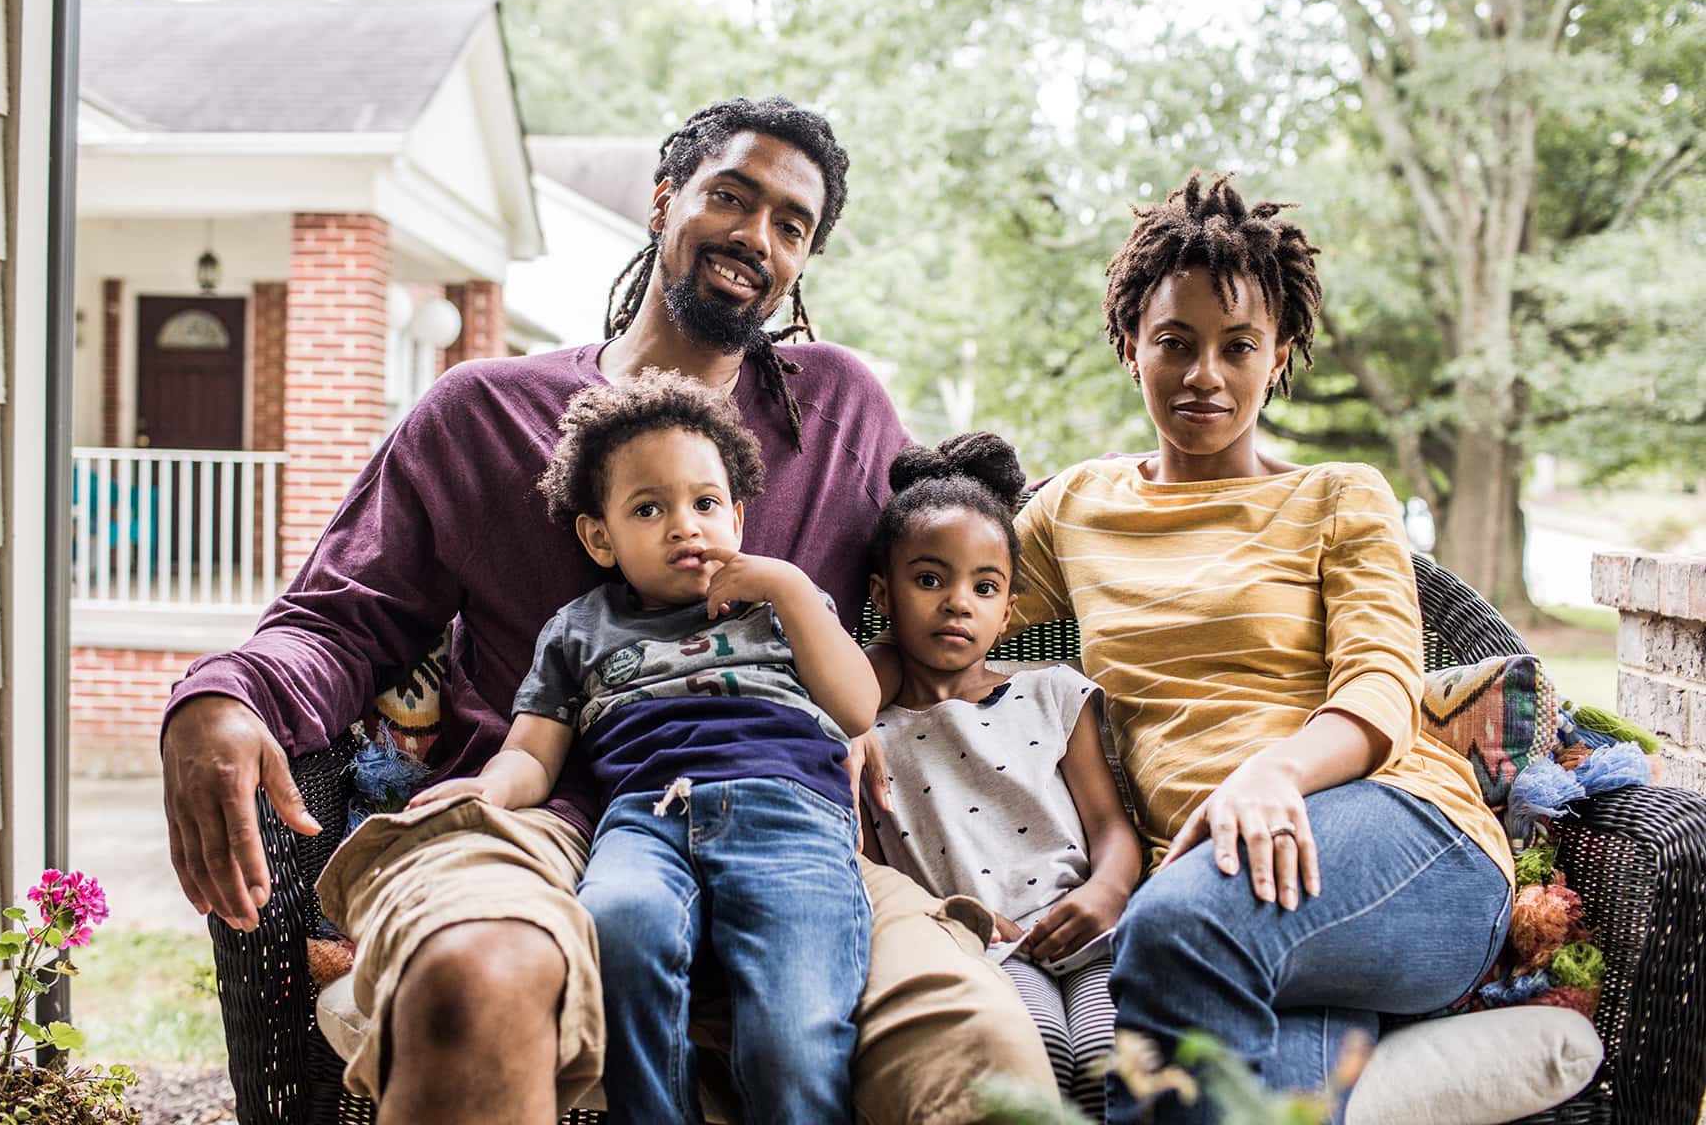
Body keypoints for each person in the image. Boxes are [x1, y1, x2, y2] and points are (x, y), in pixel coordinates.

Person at [158, 95, 1057, 1124]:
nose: (755, 237)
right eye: (732, 195)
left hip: (790, 825)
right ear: (665, 200)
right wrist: (220, 700)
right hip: (537, 822)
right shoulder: (481, 414)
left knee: (984, 1054)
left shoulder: (839, 408)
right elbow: (339, 619)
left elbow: (955, 566)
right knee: (472, 977)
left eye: (792, 225)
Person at [1008, 173, 1515, 1124]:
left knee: (1177, 929)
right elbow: (945, 614)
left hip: (1409, 840)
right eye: (1176, 344)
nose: (1206, 374)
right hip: (1249, 890)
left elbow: (1382, 683)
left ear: (1277, 357)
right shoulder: (1074, 508)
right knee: (1258, 1091)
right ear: (1130, 349)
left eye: (1238, 347)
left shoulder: (1339, 496)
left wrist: (1273, 775)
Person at [409, 370, 879, 1123]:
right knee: (619, 930)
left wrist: (790, 587)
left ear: (739, 516)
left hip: (792, 816)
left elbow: (857, 709)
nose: (683, 527)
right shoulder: (577, 629)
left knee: (794, 1032)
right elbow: (533, 752)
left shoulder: (784, 603)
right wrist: (491, 789)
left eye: (704, 503)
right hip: (645, 820)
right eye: (648, 509)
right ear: (600, 537)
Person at [860, 432, 1144, 1119]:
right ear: (883, 594)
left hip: (1088, 928)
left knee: (1113, 1059)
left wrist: (1106, 894)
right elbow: (868, 866)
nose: (959, 602)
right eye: (930, 580)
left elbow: (1113, 828)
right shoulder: (870, 734)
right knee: (1036, 1055)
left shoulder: (1051, 694)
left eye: (983, 587)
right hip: (980, 947)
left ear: (1007, 610)